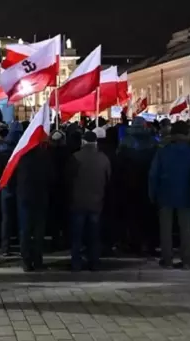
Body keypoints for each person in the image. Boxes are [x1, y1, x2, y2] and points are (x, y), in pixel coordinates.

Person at [149, 121, 190, 269]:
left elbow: (153, 174)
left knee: (165, 228)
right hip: (185, 193)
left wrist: (152, 193)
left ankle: (168, 260)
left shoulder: (163, 150)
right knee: (185, 228)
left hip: (165, 192)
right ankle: (186, 261)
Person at [66, 131, 111, 271]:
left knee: (77, 235)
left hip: (77, 201)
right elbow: (108, 179)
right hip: (96, 201)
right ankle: (94, 262)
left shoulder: (75, 157)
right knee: (94, 234)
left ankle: (76, 263)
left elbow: (67, 180)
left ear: (83, 142)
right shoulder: (103, 159)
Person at [117, 116, 158, 255]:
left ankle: (134, 243)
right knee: (148, 215)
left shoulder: (125, 141)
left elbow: (120, 162)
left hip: (130, 183)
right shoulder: (152, 141)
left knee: (133, 215)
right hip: (147, 182)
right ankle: (149, 243)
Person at [15, 143, 52, 272]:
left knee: (25, 230)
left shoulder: (21, 157)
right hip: (40, 197)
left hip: (25, 197)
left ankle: (26, 260)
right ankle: (37, 260)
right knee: (38, 231)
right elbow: (51, 177)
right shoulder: (45, 158)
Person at [0, 122, 22, 255]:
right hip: (20, 187)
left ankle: (5, 246)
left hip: (5, 186)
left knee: (6, 218)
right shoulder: (23, 148)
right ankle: (22, 244)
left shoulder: (1, 148)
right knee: (21, 218)